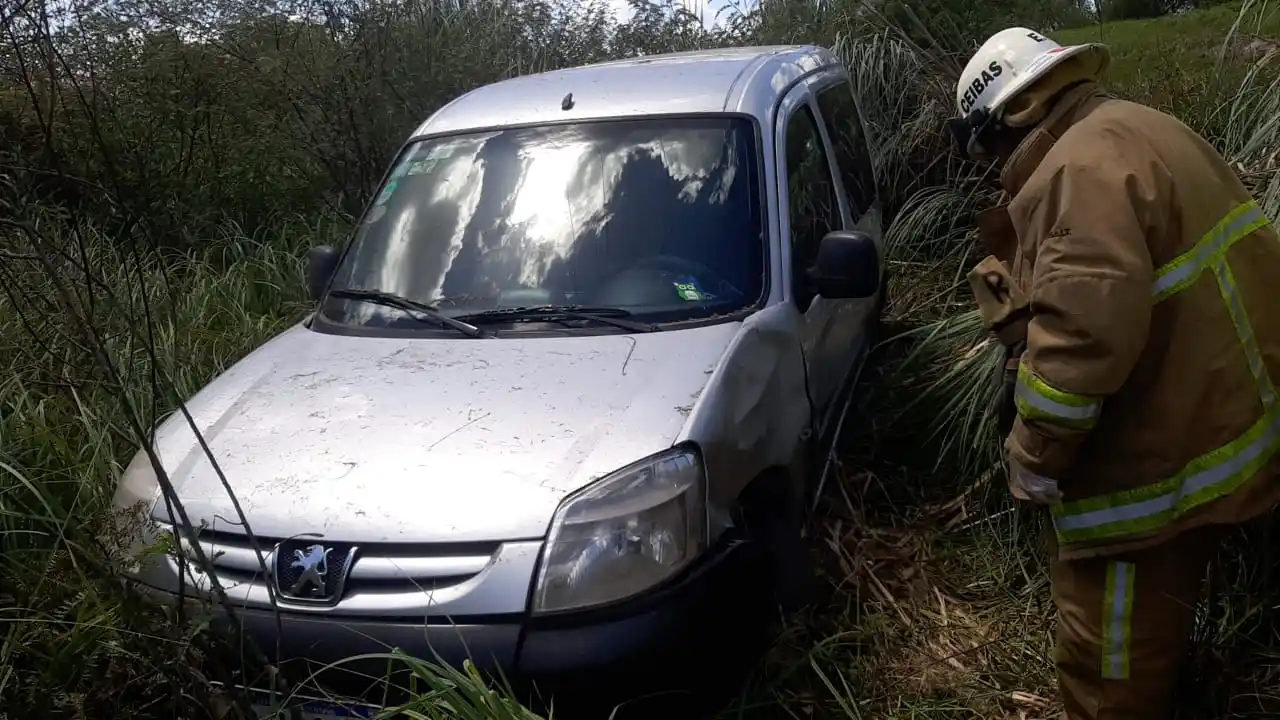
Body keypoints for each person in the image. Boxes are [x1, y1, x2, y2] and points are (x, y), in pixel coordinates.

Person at [952, 26, 1280, 719]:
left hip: (1160, 471)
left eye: (986, 146)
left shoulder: (1074, 173)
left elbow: (1079, 344)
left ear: (1008, 119)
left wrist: (1033, 458)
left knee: (1108, 663)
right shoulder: (1139, 127)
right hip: (1232, 415)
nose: (991, 165)